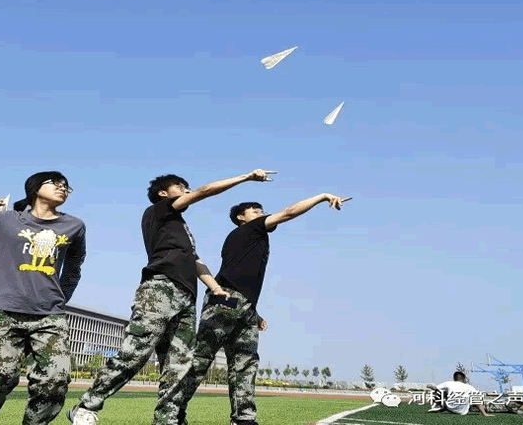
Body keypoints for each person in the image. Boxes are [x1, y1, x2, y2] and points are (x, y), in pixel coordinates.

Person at [68, 169, 274, 425]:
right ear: (164, 193)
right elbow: (204, 192)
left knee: (179, 365)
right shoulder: (158, 211)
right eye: (181, 187)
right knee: (137, 352)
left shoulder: (181, 228)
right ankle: (86, 405)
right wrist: (245, 178)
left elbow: (196, 262)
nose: (187, 191)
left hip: (187, 298)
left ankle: (167, 420)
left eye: (187, 188)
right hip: (159, 290)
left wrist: (216, 288)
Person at [180, 193, 347, 425]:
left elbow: (238, 276)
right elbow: (289, 212)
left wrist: (252, 311)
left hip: (242, 305)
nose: (262, 215)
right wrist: (322, 197)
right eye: (256, 212)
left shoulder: (249, 238)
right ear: (242, 218)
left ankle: (244, 419)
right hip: (225, 300)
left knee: (245, 363)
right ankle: (173, 410)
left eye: (262, 211)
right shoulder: (251, 229)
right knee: (202, 358)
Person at [0, 171, 86, 425]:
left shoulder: (74, 226)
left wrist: (60, 298)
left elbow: (74, 266)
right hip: (1, 312)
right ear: (34, 188)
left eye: (67, 186)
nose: (63, 188)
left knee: (54, 382)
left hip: (49, 316)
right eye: (56, 183)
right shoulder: (6, 220)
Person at [426, 371, 492, 416]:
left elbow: (435, 388)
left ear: (454, 378)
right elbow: (478, 399)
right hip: (462, 411)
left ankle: (439, 407)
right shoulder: (469, 387)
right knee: (473, 397)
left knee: (439, 391)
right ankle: (484, 413)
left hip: (450, 407)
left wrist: (429, 385)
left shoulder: (449, 383)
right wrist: (484, 410)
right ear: (464, 379)